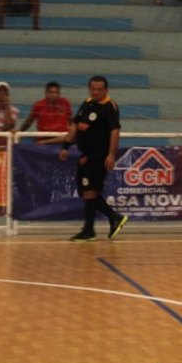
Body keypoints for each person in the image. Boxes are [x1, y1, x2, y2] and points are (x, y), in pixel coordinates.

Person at [58, 76, 128, 242]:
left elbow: (114, 131)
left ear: (106, 90)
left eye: (100, 89)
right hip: (87, 154)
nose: (96, 92)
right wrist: (65, 146)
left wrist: (111, 154)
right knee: (87, 192)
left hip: (99, 154)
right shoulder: (87, 103)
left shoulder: (109, 106)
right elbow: (75, 126)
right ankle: (90, 230)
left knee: (90, 190)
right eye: (93, 88)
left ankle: (111, 218)